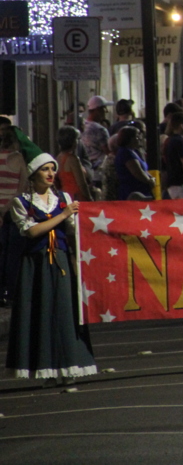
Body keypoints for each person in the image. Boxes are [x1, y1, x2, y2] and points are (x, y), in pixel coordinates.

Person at [5, 131, 96, 384]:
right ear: (33, 174)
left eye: (51, 169)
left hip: (62, 262)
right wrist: (63, 214)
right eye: (44, 169)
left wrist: (79, 261)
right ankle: (46, 369)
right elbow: (32, 231)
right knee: (41, 314)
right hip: (35, 265)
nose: (49, 174)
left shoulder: (63, 199)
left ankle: (69, 367)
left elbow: (75, 232)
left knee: (65, 313)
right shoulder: (21, 203)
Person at [0, 118, 28, 305]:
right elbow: (22, 188)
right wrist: (8, 208)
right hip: (13, 210)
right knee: (13, 253)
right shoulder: (18, 159)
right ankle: (11, 291)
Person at [162, 112, 183, 199]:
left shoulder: (169, 141)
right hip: (181, 184)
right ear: (181, 125)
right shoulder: (180, 141)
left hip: (172, 183)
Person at [80, 95, 112, 187]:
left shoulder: (82, 126)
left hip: (86, 172)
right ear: (97, 110)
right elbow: (108, 151)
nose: (106, 111)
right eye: (104, 108)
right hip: (99, 175)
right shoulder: (100, 130)